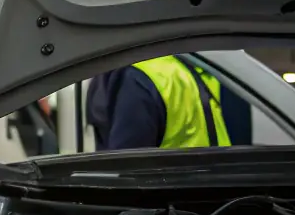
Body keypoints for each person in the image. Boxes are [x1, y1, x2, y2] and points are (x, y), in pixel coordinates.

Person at [88, 55, 232, 151]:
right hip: (213, 187)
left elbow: (126, 171)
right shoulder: (193, 64)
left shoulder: (136, 78)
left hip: (171, 192)